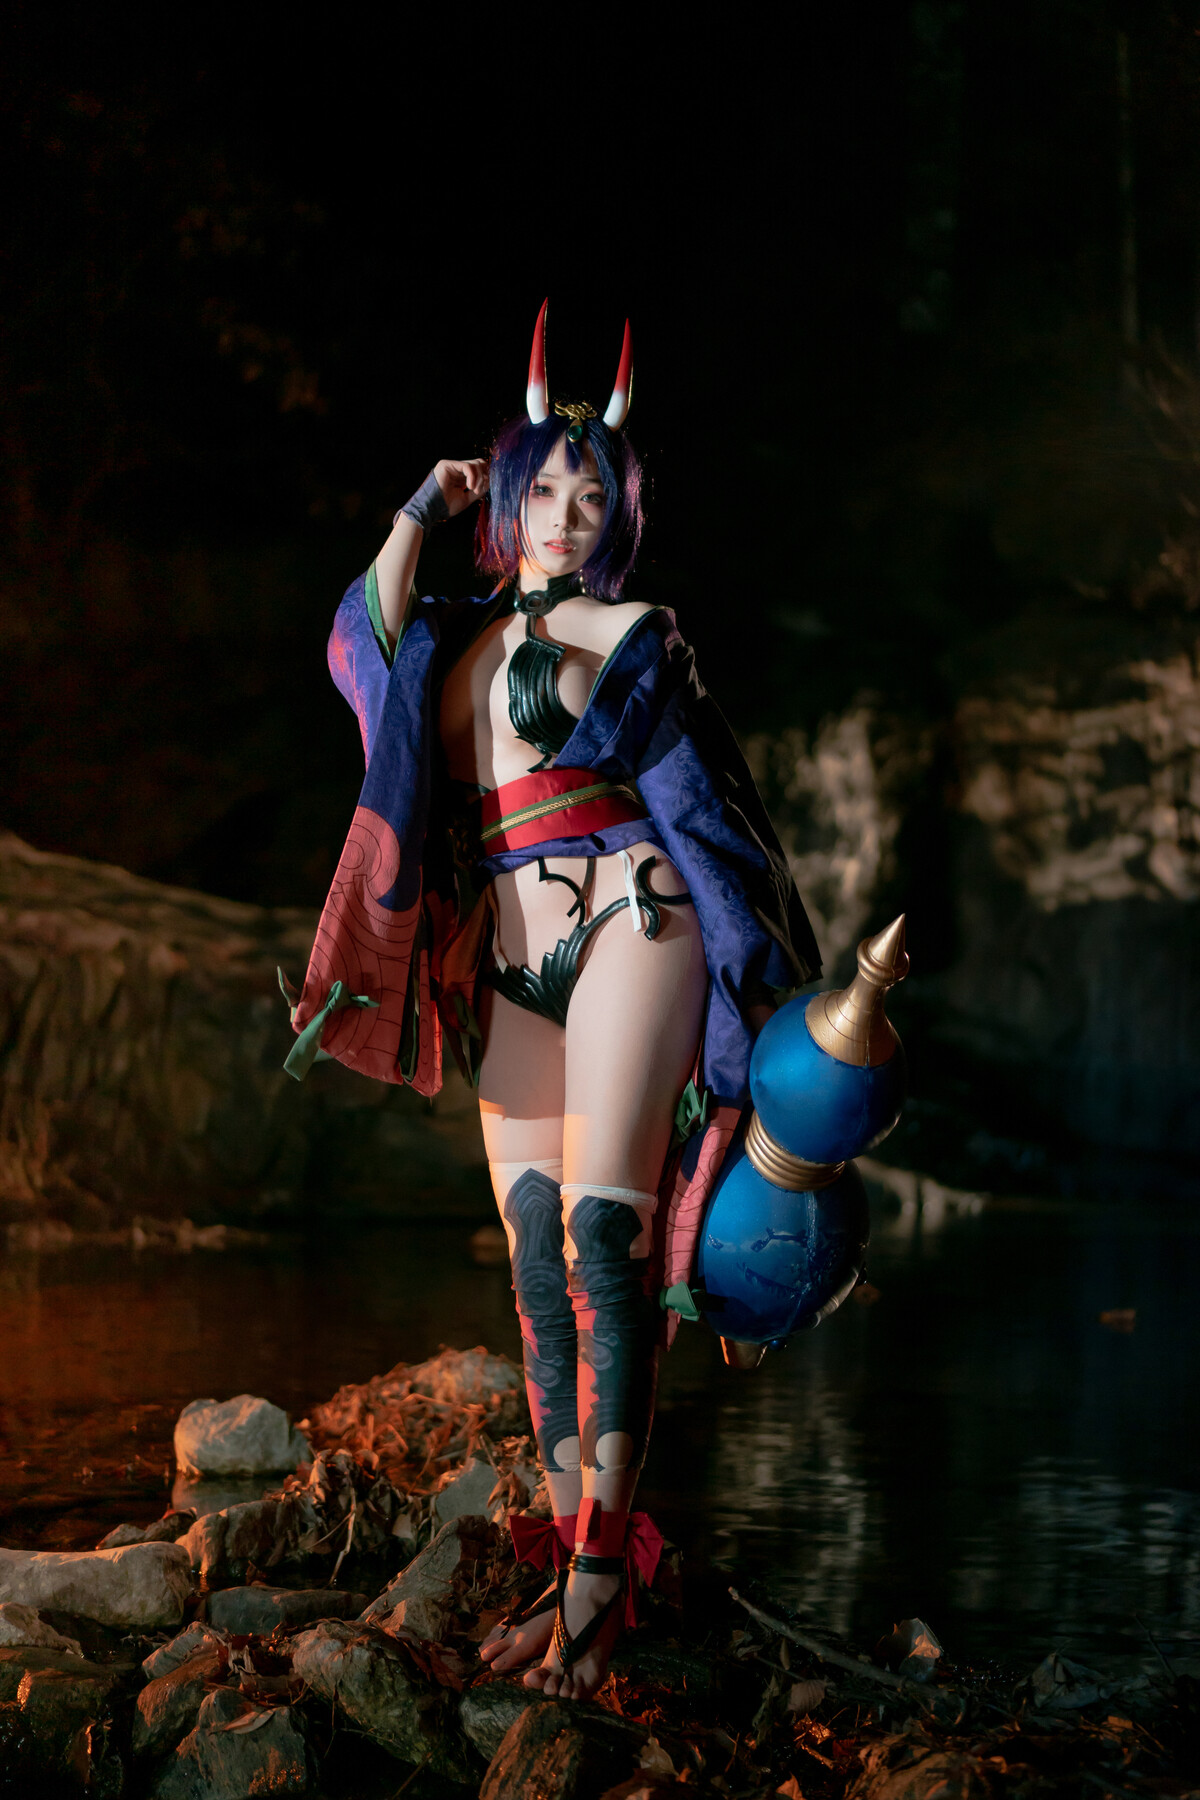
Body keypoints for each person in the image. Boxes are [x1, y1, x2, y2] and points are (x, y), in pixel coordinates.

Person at [283, 303, 820, 1700]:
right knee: (533, 1261)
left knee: (601, 1241)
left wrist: (768, 1000)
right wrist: (424, 503)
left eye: (596, 495)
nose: (572, 514)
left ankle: (595, 1591)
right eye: (549, 489)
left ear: (617, 515)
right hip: (515, 963)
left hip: (634, 919)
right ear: (510, 496)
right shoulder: (446, 634)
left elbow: (714, 818)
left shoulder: (635, 630)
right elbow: (353, 638)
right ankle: (582, 1556)